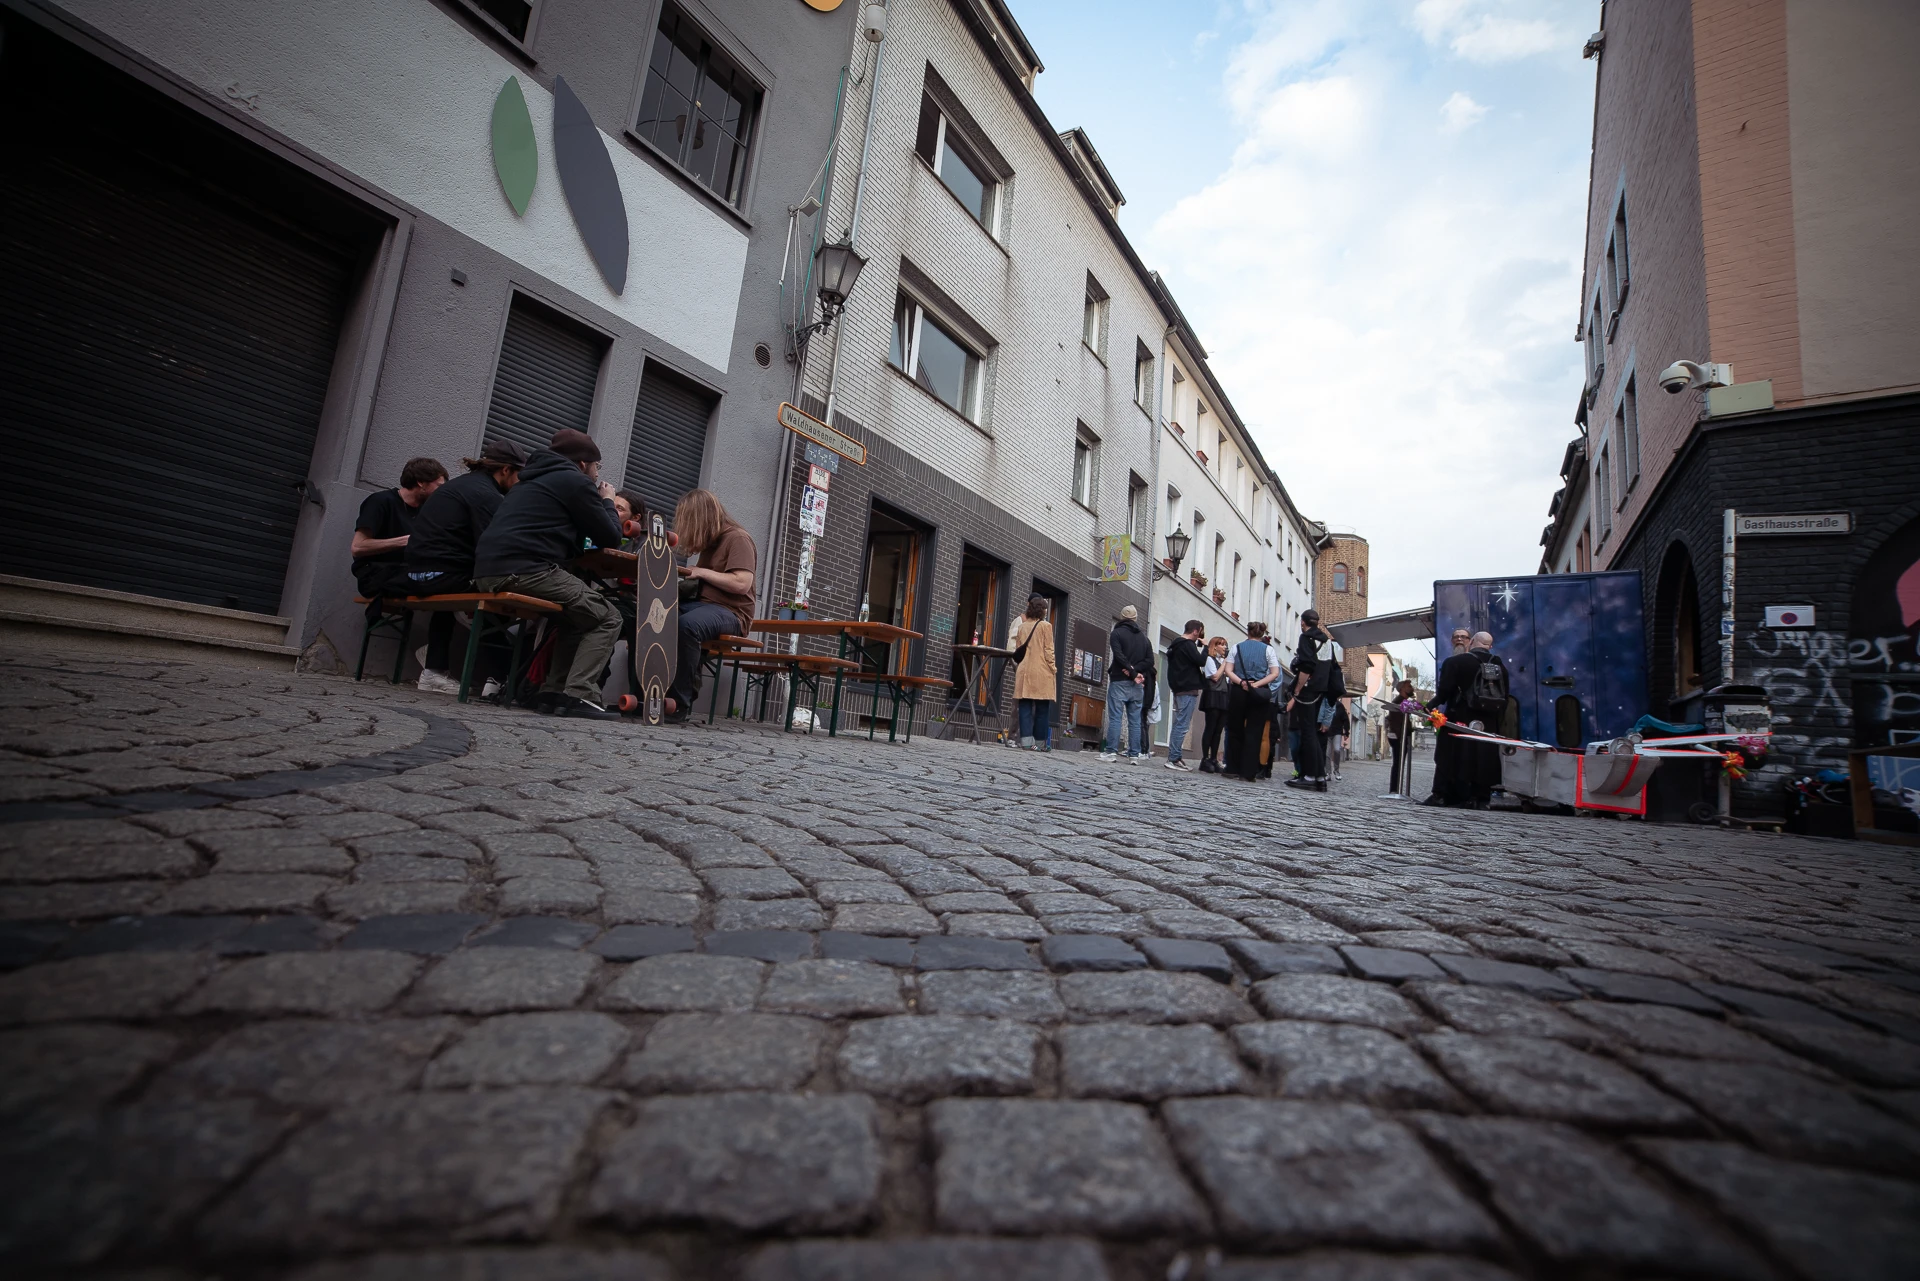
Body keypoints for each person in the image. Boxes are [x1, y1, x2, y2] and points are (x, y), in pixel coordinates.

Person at [471, 429, 623, 719]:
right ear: (583, 464)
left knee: (577, 618)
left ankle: (553, 693)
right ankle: (580, 694)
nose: (596, 473)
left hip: (488, 571)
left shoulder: (529, 481)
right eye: (597, 466)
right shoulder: (575, 482)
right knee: (608, 616)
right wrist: (607, 501)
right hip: (525, 569)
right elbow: (610, 537)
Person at [402, 440, 527, 695]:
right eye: (519, 474)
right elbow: (495, 547)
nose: (520, 481)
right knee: (497, 597)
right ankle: (501, 678)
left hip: (415, 576)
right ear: (505, 470)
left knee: (463, 599)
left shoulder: (458, 486)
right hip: (440, 577)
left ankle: (435, 670)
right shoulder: (486, 495)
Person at [665, 488, 757, 725]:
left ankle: (679, 703)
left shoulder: (738, 538)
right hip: (703, 606)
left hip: (732, 613)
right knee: (653, 616)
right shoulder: (710, 542)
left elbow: (742, 583)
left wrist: (702, 572)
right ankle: (645, 694)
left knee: (687, 626)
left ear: (700, 519)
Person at [1426, 630, 1511, 808]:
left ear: (1471, 642)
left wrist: (1429, 705)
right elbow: (1505, 696)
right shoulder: (1499, 666)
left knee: (1449, 754)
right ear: (1490, 646)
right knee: (1484, 756)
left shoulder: (1455, 662)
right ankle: (1480, 798)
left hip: (1460, 717)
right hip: (1488, 721)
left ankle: (1442, 795)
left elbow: (1444, 692)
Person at [351, 457, 447, 605]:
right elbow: (357, 547)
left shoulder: (426, 511)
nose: (441, 492)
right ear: (421, 482)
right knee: (444, 582)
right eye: (439, 486)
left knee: (453, 579)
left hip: (405, 572)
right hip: (375, 575)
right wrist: (407, 540)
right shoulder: (380, 501)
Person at [1285, 609, 1341, 792]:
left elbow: (1307, 666)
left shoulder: (1306, 638)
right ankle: (1319, 777)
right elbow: (1331, 666)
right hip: (1322, 690)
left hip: (1308, 690)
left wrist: (1298, 689)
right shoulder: (1326, 641)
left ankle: (1309, 776)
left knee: (1308, 733)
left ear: (1303, 622)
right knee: (1313, 735)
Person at [1226, 622, 1282, 782]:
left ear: (1248, 632)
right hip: (1258, 692)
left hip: (1239, 690)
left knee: (1235, 729)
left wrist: (1241, 682)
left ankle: (1232, 768)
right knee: (1255, 731)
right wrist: (1256, 685)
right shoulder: (1268, 650)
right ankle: (1248, 772)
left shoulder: (1237, 647)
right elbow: (1275, 673)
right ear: (1262, 634)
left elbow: (1228, 670)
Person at [1100, 604, 1152, 763]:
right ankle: (1134, 755)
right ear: (1135, 618)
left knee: (1116, 717)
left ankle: (1111, 752)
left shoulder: (1116, 633)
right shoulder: (1145, 639)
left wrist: (1131, 671)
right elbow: (1150, 661)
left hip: (1119, 680)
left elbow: (1119, 656)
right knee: (1135, 721)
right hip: (1137, 685)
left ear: (1122, 617)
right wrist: (1136, 671)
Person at [1012, 594, 1057, 751]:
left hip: (1024, 671)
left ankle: (1026, 742)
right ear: (1042, 610)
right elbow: (1049, 650)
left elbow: (1018, 648)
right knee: (1042, 709)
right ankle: (1039, 744)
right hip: (1041, 670)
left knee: (1024, 707)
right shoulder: (1046, 626)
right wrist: (1053, 668)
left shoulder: (1022, 627)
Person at [1163, 620, 1207, 771]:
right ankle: (1173, 758)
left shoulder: (1176, 644)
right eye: (1200, 632)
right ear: (1195, 631)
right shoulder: (1188, 644)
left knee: (1178, 723)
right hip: (1187, 688)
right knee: (1182, 725)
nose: (1200, 635)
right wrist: (1206, 647)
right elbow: (1200, 661)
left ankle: (1175, 756)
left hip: (1178, 688)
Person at [1198, 637, 1232, 773]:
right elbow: (1215, 676)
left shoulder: (1222, 661)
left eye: (1225, 645)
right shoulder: (1209, 660)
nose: (1224, 647)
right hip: (1213, 695)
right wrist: (1225, 662)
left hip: (1223, 695)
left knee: (1218, 730)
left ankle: (1213, 758)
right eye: (1222, 645)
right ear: (1215, 646)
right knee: (1210, 728)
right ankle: (1205, 758)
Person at [1385, 677, 1417, 794]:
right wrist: (1404, 734)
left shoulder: (1403, 701)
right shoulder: (1399, 702)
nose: (1412, 688)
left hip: (1401, 736)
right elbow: (1396, 722)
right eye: (1409, 687)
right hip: (1399, 737)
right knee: (1398, 763)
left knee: (1399, 763)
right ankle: (1394, 789)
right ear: (1402, 689)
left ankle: (1396, 789)